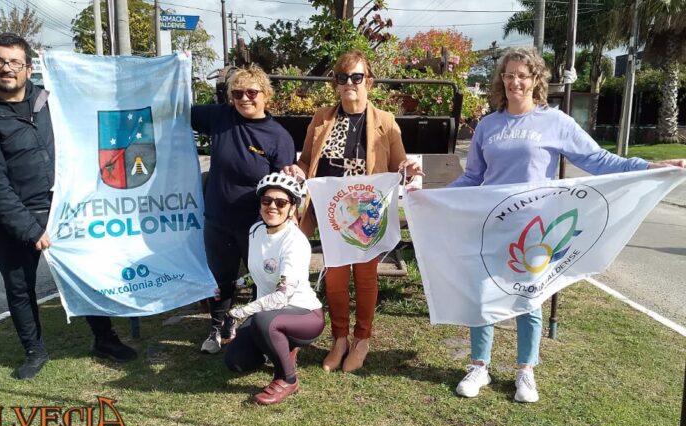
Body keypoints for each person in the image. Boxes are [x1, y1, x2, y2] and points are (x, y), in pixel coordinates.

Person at [448, 47, 686, 403]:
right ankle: (479, 366)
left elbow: (598, 160)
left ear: (535, 81)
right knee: (484, 294)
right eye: (509, 75)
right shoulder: (489, 124)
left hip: (538, 230)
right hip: (494, 226)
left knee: (529, 298)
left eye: (523, 76)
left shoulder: (554, 122)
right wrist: (429, 197)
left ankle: (525, 372)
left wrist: (648, 167)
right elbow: (473, 178)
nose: (515, 81)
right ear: (502, 79)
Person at [0, 33, 137, 380]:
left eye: (14, 62)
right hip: (15, 219)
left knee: (85, 277)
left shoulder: (50, 103)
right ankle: (34, 350)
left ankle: (104, 338)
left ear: (28, 68)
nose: (6, 69)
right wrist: (29, 229)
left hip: (64, 211)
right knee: (20, 288)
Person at [283, 50, 424, 373]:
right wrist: (299, 170)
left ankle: (362, 339)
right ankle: (339, 339)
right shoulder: (322, 117)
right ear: (335, 84)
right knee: (334, 279)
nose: (349, 83)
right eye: (342, 78)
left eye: (356, 77)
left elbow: (397, 166)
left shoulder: (385, 122)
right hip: (331, 214)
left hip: (367, 216)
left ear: (369, 82)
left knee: (365, 276)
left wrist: (408, 169)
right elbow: (307, 160)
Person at [191, 66, 296, 354]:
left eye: (252, 92)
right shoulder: (220, 118)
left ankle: (255, 329)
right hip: (218, 219)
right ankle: (217, 328)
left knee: (261, 279)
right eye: (237, 93)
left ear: (266, 95)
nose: (244, 98)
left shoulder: (278, 137)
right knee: (220, 280)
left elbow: (282, 189)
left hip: (257, 225)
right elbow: (178, 109)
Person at [224, 172, 324, 405]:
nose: (272, 207)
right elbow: (261, 271)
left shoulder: (295, 242)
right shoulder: (256, 231)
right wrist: (237, 284)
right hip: (268, 314)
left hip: (304, 314)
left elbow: (283, 296)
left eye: (281, 202)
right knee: (237, 362)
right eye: (266, 201)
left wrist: (242, 312)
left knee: (263, 321)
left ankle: (287, 379)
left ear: (292, 209)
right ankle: (283, 347)